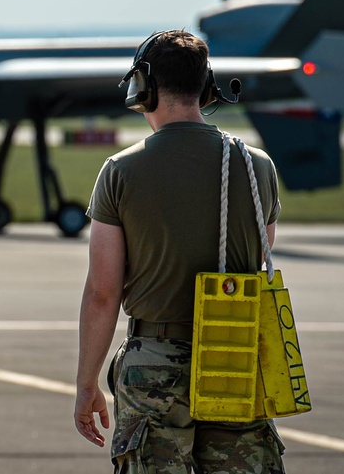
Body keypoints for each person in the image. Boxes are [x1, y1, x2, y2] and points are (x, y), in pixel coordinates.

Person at [73, 30, 285, 473]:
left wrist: (86, 383)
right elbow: (260, 257)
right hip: (237, 357)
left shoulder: (120, 171)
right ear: (207, 87)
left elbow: (103, 292)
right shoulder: (257, 166)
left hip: (155, 364)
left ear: (143, 88)